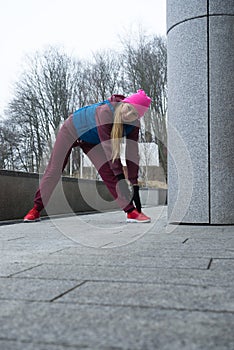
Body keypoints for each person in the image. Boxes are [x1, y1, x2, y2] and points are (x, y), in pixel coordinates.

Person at [24, 89, 152, 223]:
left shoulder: (134, 125)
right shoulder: (106, 112)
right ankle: (36, 209)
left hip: (92, 141)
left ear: (138, 117)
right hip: (72, 130)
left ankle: (131, 212)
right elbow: (110, 151)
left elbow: (132, 153)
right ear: (125, 103)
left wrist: (134, 183)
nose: (129, 114)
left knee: (108, 172)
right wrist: (121, 179)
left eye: (134, 114)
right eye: (129, 108)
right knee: (55, 169)